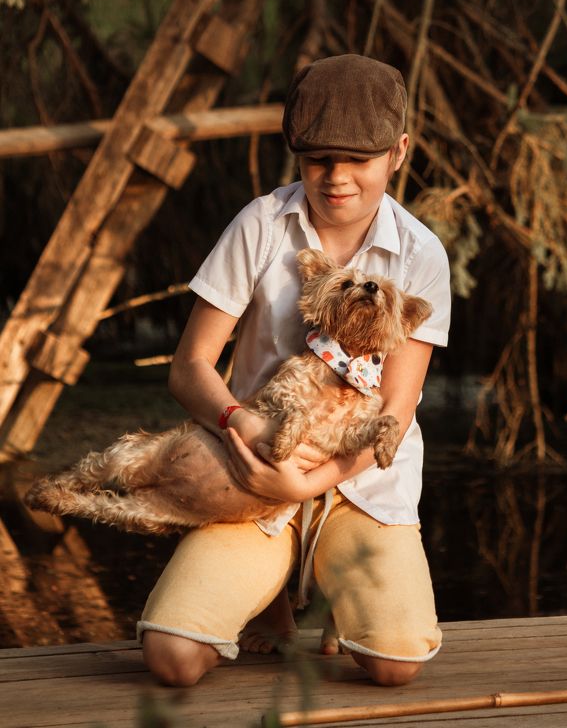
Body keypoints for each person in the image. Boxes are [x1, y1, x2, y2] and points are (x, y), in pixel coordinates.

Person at [139, 54, 451, 688]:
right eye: (317, 159)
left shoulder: (422, 254)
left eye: (358, 159)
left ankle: (330, 584)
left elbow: (395, 412)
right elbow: (189, 367)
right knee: (172, 660)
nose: (335, 177)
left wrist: (306, 484)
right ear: (297, 154)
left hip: (359, 485)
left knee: (395, 665)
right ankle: (271, 591)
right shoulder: (259, 224)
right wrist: (243, 425)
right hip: (250, 473)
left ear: (398, 152)